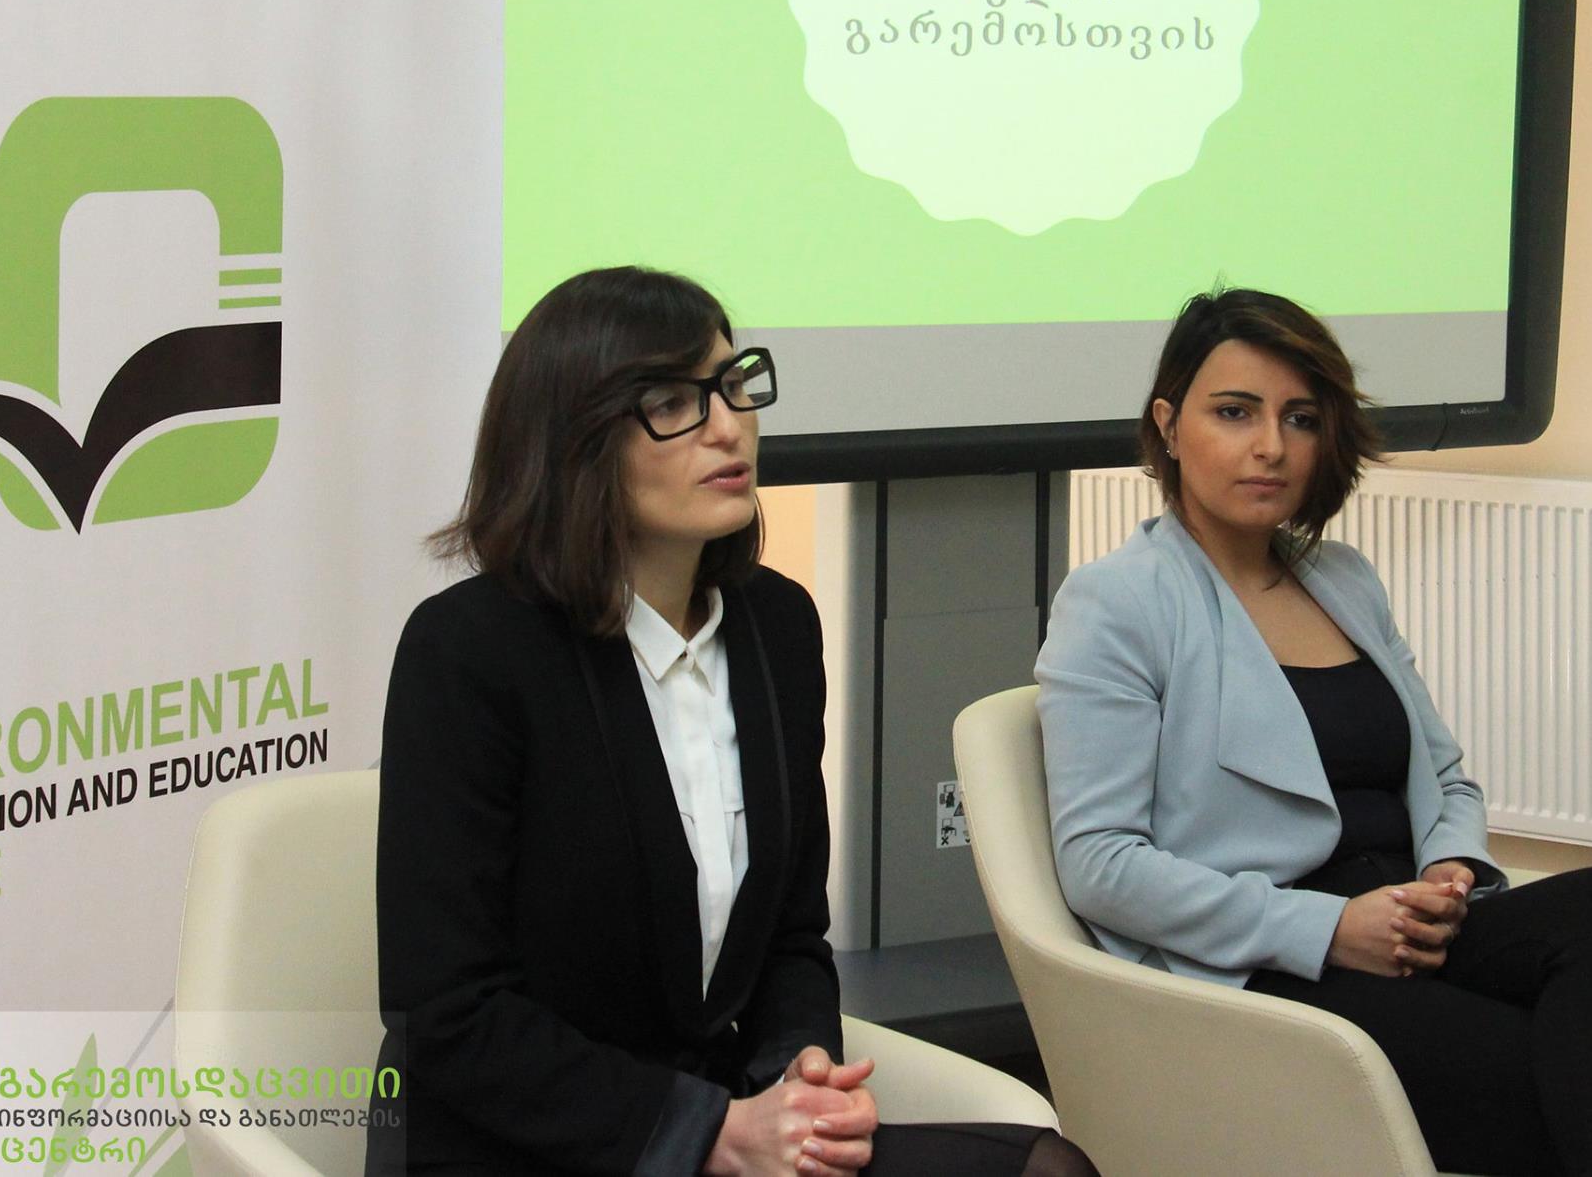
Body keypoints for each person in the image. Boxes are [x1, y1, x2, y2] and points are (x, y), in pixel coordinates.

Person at [373, 267, 1095, 1176]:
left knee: (1048, 1166)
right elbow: (446, 1009)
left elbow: (792, 935)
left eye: (732, 385)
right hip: (527, 1145)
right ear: (573, 439)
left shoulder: (775, 626)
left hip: (728, 1120)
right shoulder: (471, 649)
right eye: (673, 403)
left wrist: (801, 1070)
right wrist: (709, 1131)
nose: (728, 425)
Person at [1035, 287, 1592, 1176]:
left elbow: (1445, 778)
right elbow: (1100, 863)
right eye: (1234, 412)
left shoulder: (1344, 578)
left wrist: (1449, 868)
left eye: (1300, 418)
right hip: (1267, 958)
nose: (1271, 446)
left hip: (1412, 919)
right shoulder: (1116, 600)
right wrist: (1328, 926)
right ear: (1168, 425)